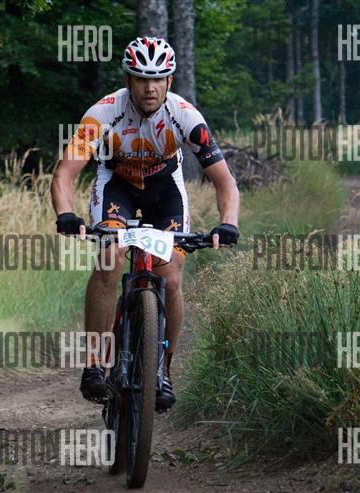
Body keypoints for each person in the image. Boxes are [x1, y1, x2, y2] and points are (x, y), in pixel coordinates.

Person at [50, 37, 240, 410]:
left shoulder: (185, 116)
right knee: (111, 256)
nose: (149, 87)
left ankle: (162, 370)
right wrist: (66, 215)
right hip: (116, 185)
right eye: (140, 78)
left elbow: (225, 182)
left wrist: (228, 223)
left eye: (157, 79)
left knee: (171, 275)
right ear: (128, 80)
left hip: (165, 190)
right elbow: (64, 175)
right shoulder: (103, 113)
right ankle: (95, 364)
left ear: (169, 81)